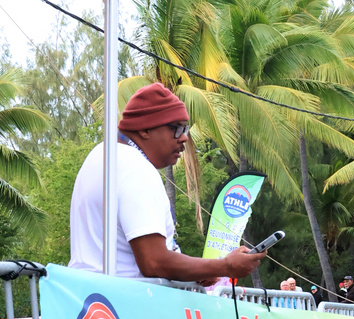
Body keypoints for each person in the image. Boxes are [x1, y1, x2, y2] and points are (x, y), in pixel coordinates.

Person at [69, 82, 264, 283]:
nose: (185, 138)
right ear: (145, 128)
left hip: (89, 300)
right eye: (177, 129)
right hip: (122, 306)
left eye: (186, 129)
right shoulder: (135, 168)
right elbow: (153, 262)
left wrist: (200, 271)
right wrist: (226, 266)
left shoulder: (100, 156)